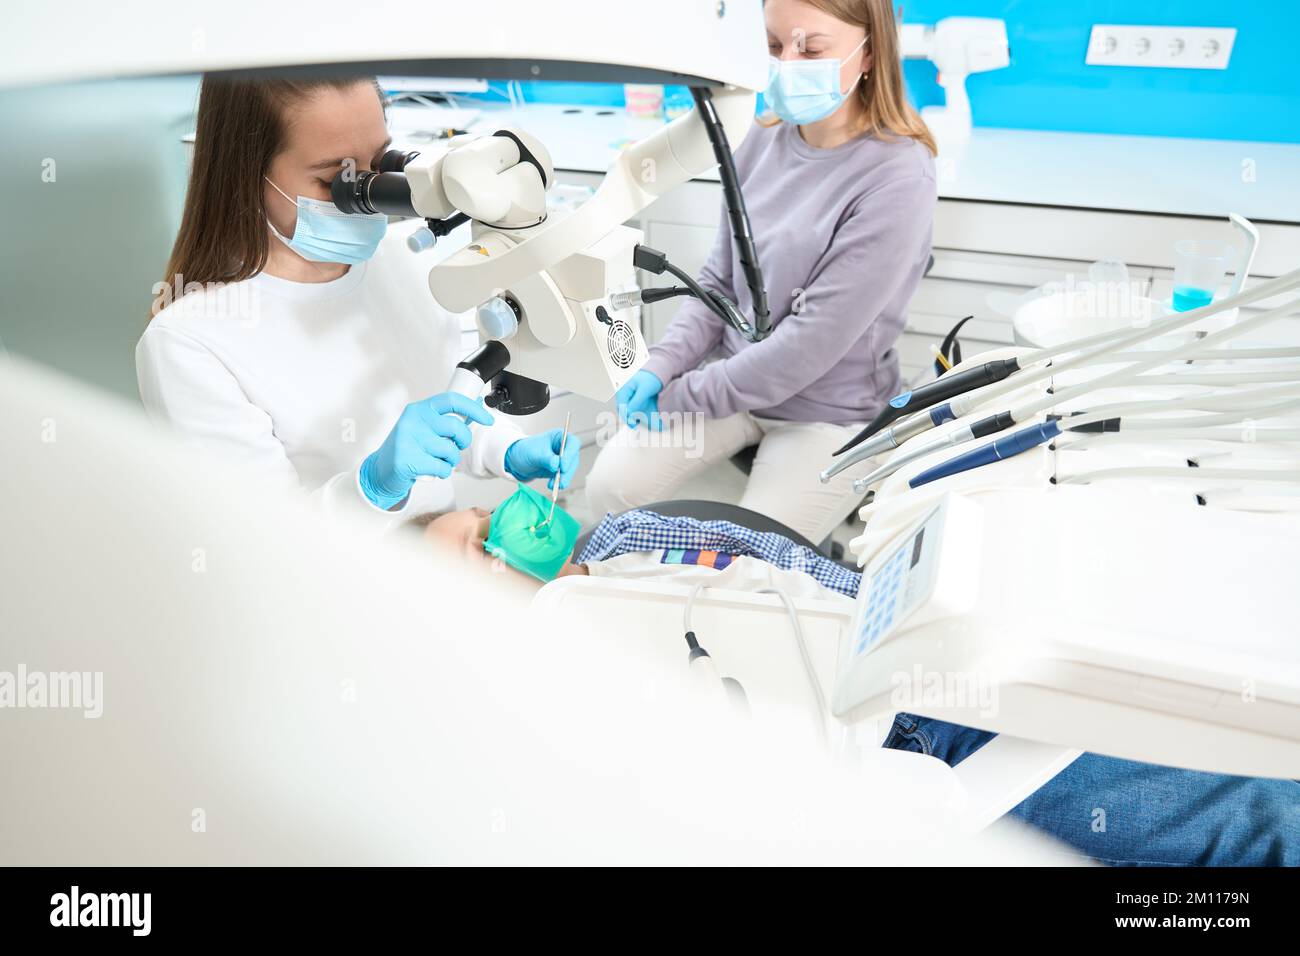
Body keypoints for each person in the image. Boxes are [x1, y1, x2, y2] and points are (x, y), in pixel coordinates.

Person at [420, 501, 1299, 866]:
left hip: (904, 709)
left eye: (485, 510)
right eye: (476, 544)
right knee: (1196, 812)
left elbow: (793, 576)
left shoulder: (617, 553)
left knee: (1202, 806)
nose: (506, 524)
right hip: (893, 740)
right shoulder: (556, 675)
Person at [137, 75, 578, 523]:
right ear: (246, 175)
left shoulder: (403, 264)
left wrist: (506, 449)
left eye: (378, 163)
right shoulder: (190, 344)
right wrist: (372, 487)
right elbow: (259, 547)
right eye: (336, 179)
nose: (369, 197)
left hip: (437, 562)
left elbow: (442, 414)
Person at [585, 0, 936, 544]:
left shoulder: (898, 175)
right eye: (774, 46)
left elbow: (806, 347)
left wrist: (678, 395)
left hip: (828, 413)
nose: (789, 62)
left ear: (870, 53)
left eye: (812, 48)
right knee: (609, 489)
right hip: (736, 377)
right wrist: (661, 365)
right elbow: (720, 283)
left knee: (748, 558)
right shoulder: (757, 139)